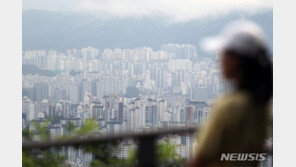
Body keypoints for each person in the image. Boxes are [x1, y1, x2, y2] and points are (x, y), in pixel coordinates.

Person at [189, 20, 273, 167]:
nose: (220, 59)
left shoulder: (229, 106)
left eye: (224, 54)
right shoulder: (262, 105)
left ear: (237, 61)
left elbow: (200, 159)